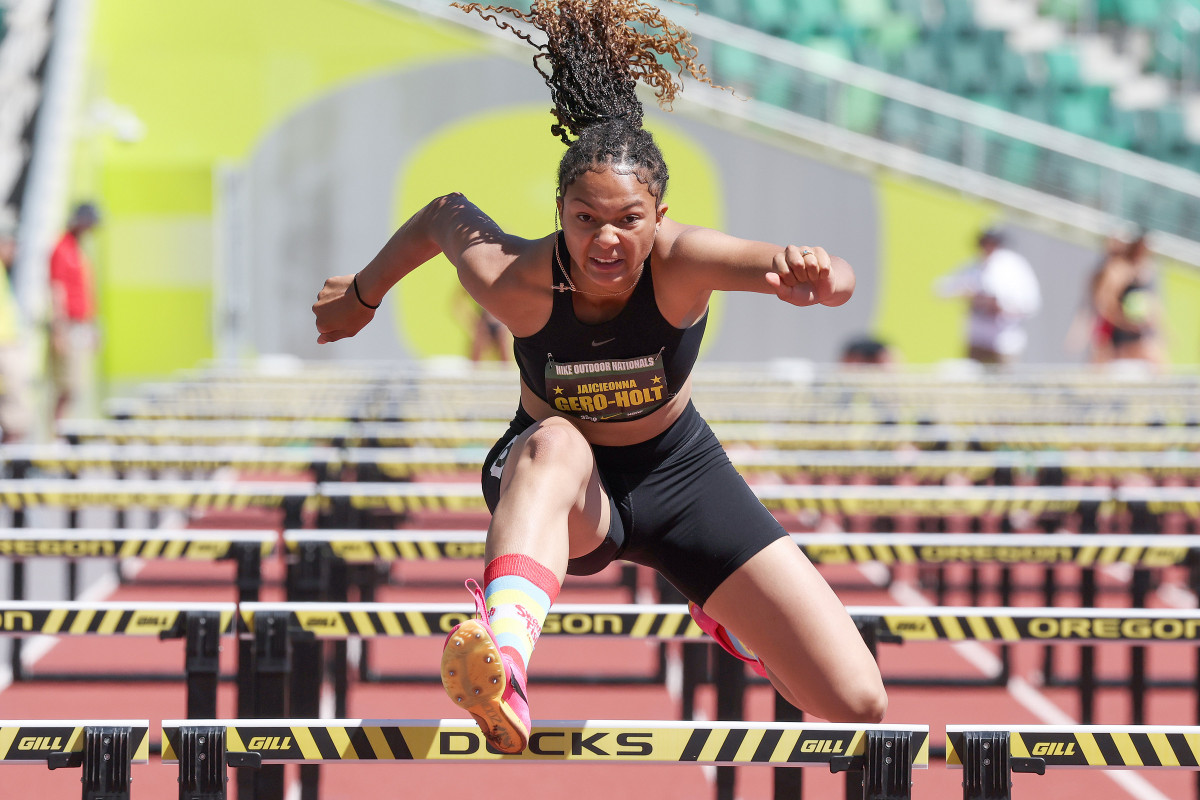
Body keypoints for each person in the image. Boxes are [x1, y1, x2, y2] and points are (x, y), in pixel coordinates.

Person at [313, 0, 886, 754]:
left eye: (628, 220)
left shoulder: (687, 262)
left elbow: (831, 278)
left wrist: (821, 276)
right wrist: (361, 295)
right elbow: (441, 216)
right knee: (557, 442)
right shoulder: (517, 278)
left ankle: (731, 622)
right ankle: (504, 659)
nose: (606, 241)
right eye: (585, 219)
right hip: (556, 488)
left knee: (857, 701)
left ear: (660, 216)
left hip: (680, 476)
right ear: (560, 212)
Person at [935, 227, 1041, 364]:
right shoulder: (974, 266)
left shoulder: (1015, 268)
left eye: (992, 243)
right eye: (984, 243)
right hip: (976, 340)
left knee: (1003, 383)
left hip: (1005, 343)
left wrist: (1001, 306)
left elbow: (1030, 305)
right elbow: (941, 289)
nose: (988, 247)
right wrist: (967, 295)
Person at [48, 201, 101, 423]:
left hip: (80, 324)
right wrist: (59, 329)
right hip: (69, 325)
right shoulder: (63, 247)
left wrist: (93, 326)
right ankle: (59, 435)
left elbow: (86, 291)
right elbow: (57, 290)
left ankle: (64, 432)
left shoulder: (77, 249)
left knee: (76, 385)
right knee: (67, 385)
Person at [1091, 231, 1165, 366]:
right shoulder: (1117, 270)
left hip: (1135, 331)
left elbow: (1153, 304)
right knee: (1102, 366)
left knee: (1156, 360)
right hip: (1115, 331)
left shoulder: (1145, 270)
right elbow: (1104, 303)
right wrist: (1124, 323)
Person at [0, 216, 34, 442]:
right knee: (16, 419)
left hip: (8, 346)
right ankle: (11, 471)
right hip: (5, 348)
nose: (15, 250)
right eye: (12, 243)